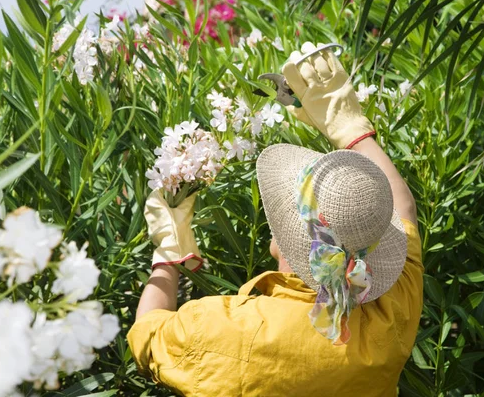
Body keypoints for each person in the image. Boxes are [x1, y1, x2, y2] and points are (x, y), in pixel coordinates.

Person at [127, 42, 423, 396]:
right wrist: (351, 128)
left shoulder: (223, 329)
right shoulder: (391, 312)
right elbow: (403, 209)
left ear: (280, 238)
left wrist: (169, 251)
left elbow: (146, 334)